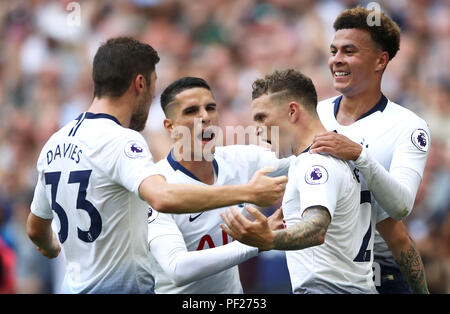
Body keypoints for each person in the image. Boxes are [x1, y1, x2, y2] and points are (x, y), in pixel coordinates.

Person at [26, 37, 287, 294]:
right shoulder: (121, 141)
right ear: (140, 83)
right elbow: (161, 197)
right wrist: (248, 193)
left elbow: (36, 228)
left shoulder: (55, 143)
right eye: (153, 87)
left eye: (210, 108)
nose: (152, 98)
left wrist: (51, 247)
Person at [222, 69, 379, 293]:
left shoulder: (316, 163)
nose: (257, 129)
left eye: (261, 117)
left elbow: (316, 228)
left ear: (292, 112)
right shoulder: (335, 158)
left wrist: (269, 239)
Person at [310, 7, 430, 293]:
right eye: (333, 50)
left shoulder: (408, 126)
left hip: (381, 274)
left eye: (349, 51)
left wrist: (359, 155)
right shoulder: (314, 114)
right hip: (320, 269)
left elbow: (400, 205)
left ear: (380, 60)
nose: (336, 60)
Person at [147, 76, 291, 294]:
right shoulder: (155, 184)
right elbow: (177, 268)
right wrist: (257, 242)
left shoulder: (238, 160)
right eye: (191, 111)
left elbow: (302, 156)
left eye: (210, 107)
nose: (205, 117)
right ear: (170, 126)